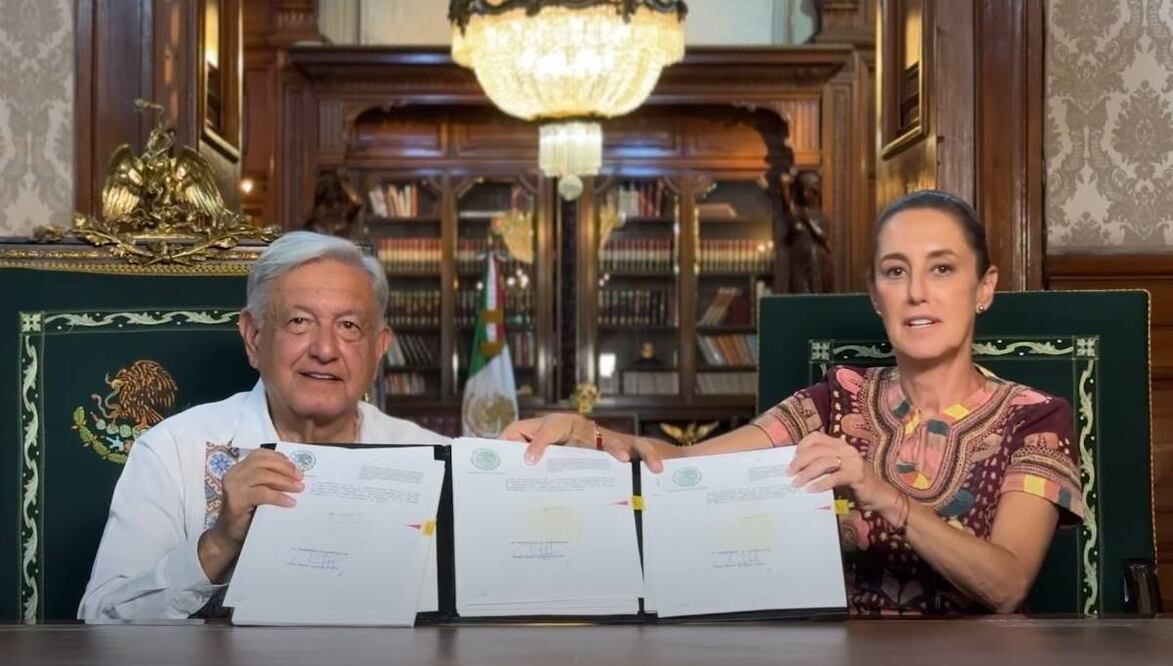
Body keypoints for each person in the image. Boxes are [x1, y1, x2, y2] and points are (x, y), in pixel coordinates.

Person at [504, 190, 1083, 615]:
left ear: (985, 287)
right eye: (895, 271)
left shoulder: (1034, 417)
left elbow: (1007, 585)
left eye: (942, 269)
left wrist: (885, 496)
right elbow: (686, 466)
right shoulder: (838, 398)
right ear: (875, 295)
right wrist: (592, 436)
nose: (916, 293)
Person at [79, 231, 448, 620]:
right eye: (299, 321)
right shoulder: (173, 450)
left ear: (378, 348)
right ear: (253, 337)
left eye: (349, 326)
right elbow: (102, 620)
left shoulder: (436, 461)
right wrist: (218, 543)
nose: (325, 350)